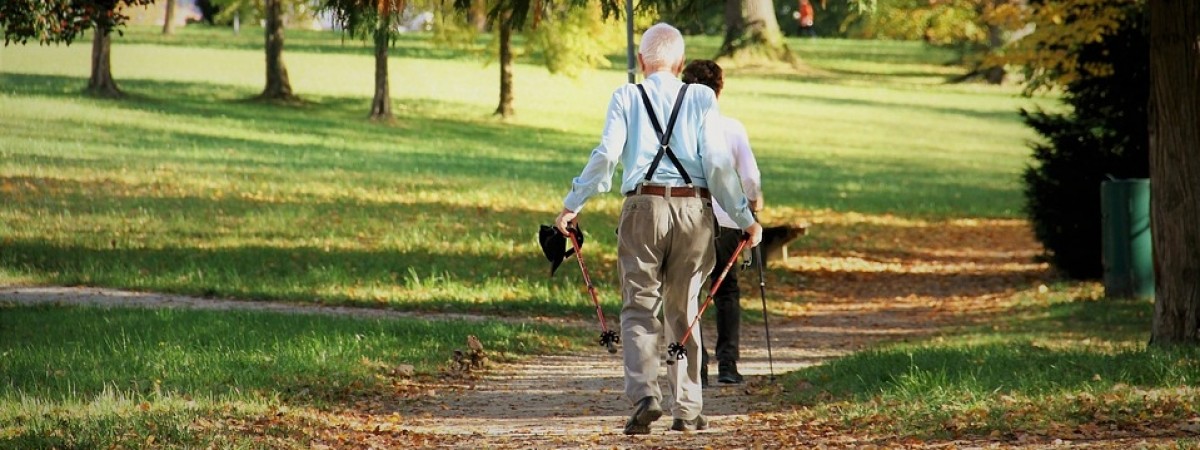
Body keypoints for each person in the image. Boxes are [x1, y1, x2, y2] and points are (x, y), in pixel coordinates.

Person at [553, 23, 763, 435]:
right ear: (681, 63)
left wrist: (572, 204)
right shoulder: (701, 98)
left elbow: (607, 155)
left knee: (638, 306)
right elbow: (718, 165)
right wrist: (745, 219)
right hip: (693, 211)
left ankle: (645, 396)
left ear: (641, 61)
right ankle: (688, 408)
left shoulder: (626, 96)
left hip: (642, 208)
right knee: (684, 308)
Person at [681, 60, 762, 387]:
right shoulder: (732, 128)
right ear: (719, 90)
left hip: (689, 217)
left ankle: (697, 366)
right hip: (728, 219)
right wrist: (753, 205)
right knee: (726, 289)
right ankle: (727, 364)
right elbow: (750, 176)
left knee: (691, 290)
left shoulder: (679, 130)